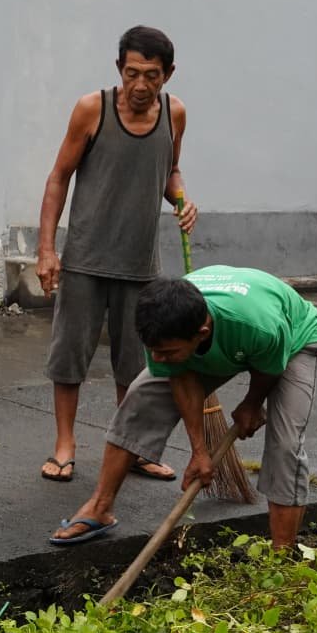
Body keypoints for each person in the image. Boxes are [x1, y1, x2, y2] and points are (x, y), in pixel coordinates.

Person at [49, 267, 317, 551]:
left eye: (166, 352)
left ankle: (282, 554)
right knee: (140, 398)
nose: (157, 358)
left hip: (292, 339)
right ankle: (100, 507)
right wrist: (199, 451)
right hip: (232, 336)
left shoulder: (259, 326)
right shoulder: (160, 324)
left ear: (201, 333)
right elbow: (180, 377)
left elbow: (270, 367)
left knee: (285, 443)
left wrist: (252, 403)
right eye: (154, 350)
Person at [36, 25, 197, 484]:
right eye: (132, 73)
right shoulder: (93, 109)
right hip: (86, 259)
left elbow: (171, 170)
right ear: (119, 69)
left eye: (152, 75)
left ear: (168, 74)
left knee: (138, 365)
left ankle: (133, 449)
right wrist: (47, 250)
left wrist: (182, 199)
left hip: (139, 264)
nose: (140, 85)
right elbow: (58, 177)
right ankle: (65, 445)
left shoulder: (175, 114)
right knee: (69, 358)